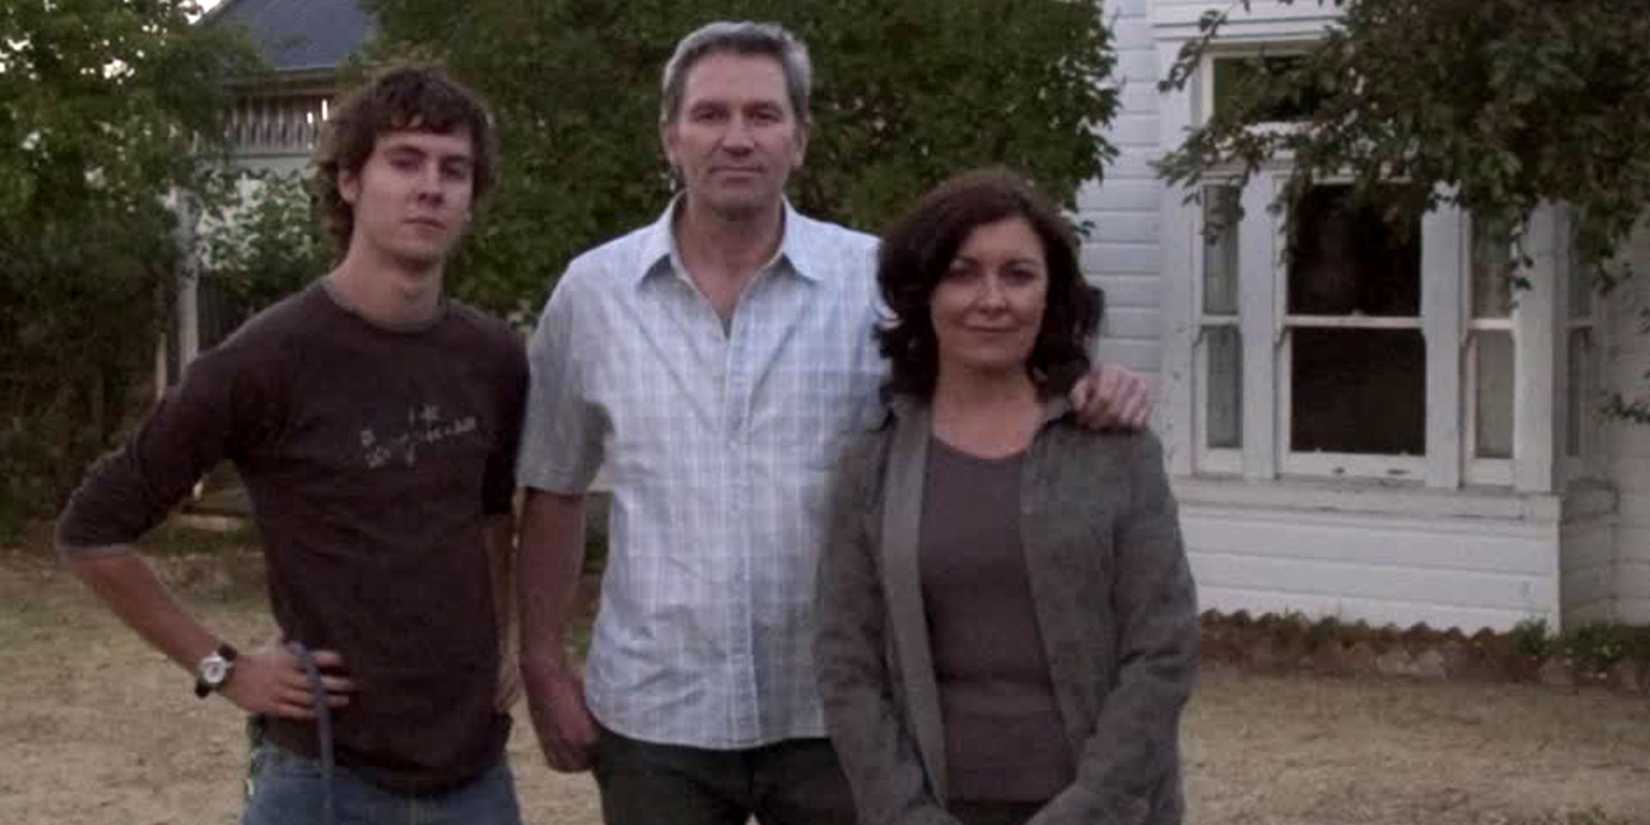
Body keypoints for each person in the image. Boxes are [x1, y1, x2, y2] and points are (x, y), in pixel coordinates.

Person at [515, 21, 1152, 825]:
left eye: (763, 114)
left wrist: (1085, 384)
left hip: (843, 713)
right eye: (710, 115)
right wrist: (542, 663)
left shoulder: (878, 284)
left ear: (800, 138)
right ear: (670, 136)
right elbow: (555, 485)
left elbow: (992, 379)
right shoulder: (593, 294)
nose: (737, 138)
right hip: (656, 714)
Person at [55, 65, 528, 825]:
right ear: (349, 180)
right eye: (405, 161)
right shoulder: (266, 360)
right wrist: (223, 667)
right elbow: (92, 532)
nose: (430, 187)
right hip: (322, 777)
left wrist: (504, 639)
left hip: (474, 777)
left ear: (473, 195)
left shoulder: (493, 357)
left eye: (454, 169)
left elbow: (491, 514)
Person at [815, 169, 1199, 825]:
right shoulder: (871, 465)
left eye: (1018, 275)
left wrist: (1086, 809)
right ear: (923, 293)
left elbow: (1162, 650)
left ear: (1051, 295)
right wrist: (907, 814)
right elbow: (847, 664)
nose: (991, 299)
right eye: (962, 273)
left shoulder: (1115, 450)